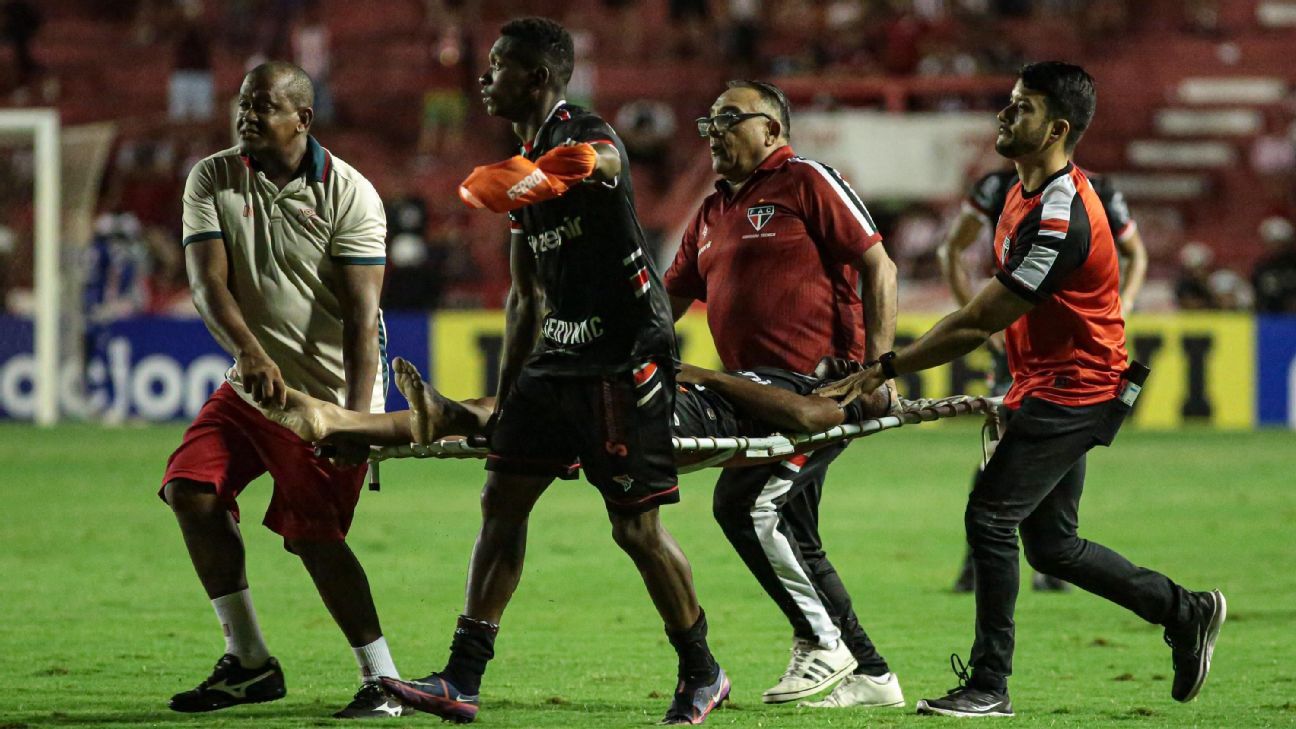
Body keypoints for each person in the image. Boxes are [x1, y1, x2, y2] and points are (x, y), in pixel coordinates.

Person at [817, 61, 1225, 718]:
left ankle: (989, 685)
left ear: (1058, 128)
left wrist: (884, 366)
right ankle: (1186, 610)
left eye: (1022, 107)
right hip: (1054, 382)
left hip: (1078, 388)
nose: (1005, 115)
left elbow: (980, 319)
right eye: (1009, 102)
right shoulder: (1020, 188)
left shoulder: (1062, 219)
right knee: (1052, 544)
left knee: (989, 516)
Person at [378, 19, 728, 725]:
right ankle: (463, 677)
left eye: (501, 64)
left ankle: (703, 669)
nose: (486, 74)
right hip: (558, 357)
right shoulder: (523, 163)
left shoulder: (585, 131)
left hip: (625, 353)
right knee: (501, 503)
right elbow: (525, 295)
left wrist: (542, 174)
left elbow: (605, 162)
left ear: (536, 79)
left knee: (635, 531)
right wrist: (510, 400)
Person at [159, 62, 406, 719]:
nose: (245, 117)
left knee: (312, 536)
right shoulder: (212, 176)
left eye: (263, 106)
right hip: (251, 386)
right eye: (242, 104)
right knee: (190, 488)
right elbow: (209, 284)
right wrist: (250, 351)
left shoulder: (351, 193)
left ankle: (383, 680)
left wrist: (355, 421)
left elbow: (362, 320)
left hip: (326, 399)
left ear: (304, 118)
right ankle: (248, 661)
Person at [665, 80, 904, 710]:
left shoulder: (807, 180)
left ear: (773, 130)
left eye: (728, 119)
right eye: (707, 122)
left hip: (817, 385)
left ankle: (823, 642)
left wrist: (878, 370)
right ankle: (872, 676)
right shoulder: (711, 212)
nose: (713, 132)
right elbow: (667, 303)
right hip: (760, 395)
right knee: (793, 526)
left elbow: (879, 265)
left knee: (746, 505)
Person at [938, 165, 1147, 593]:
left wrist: (1120, 306)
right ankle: (984, 561)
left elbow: (1136, 253)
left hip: (1072, 355)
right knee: (1003, 448)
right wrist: (983, 321)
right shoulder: (999, 187)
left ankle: (1046, 559)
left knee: (1051, 448)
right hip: (1019, 345)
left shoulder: (1095, 190)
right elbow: (951, 251)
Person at [264, 357, 895, 468]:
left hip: (685, 417)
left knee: (543, 406)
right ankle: (340, 423)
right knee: (527, 405)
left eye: (862, 379)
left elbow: (805, 420)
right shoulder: (787, 375)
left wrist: (706, 376)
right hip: (676, 401)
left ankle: (349, 423)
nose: (851, 366)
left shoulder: (825, 406)